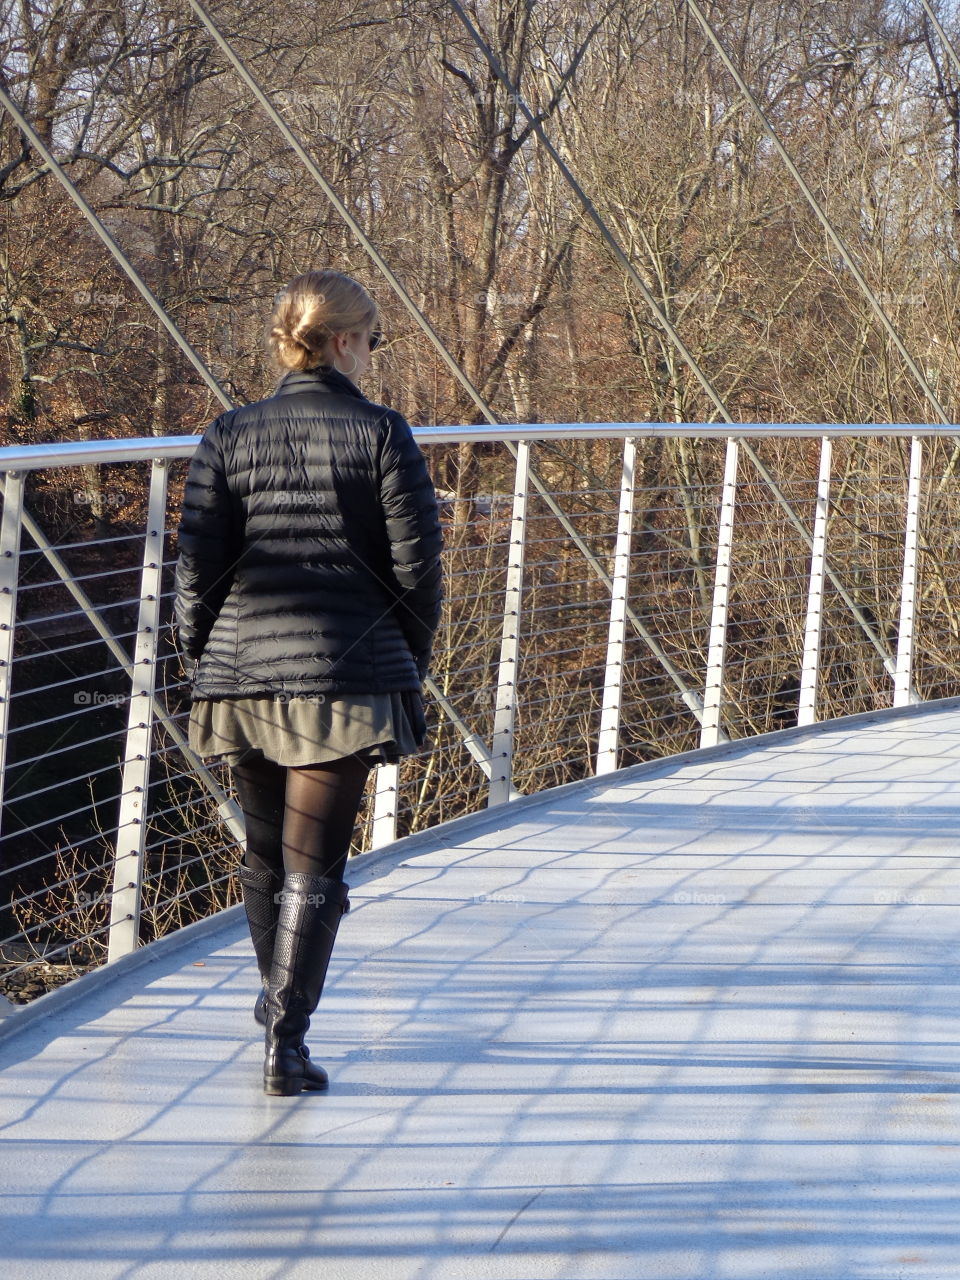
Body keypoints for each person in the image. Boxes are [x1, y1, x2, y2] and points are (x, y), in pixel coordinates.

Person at [173, 269, 443, 1096]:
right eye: (370, 338)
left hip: (243, 671)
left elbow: (198, 570)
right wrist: (406, 658)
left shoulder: (228, 434)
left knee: (264, 860)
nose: (370, 353)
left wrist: (202, 661)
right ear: (342, 341)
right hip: (346, 674)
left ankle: (275, 1016)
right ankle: (285, 1042)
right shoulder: (382, 434)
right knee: (312, 867)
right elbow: (417, 570)